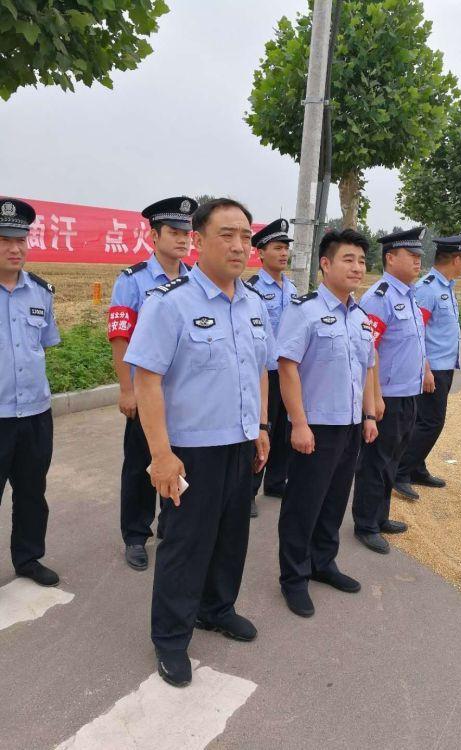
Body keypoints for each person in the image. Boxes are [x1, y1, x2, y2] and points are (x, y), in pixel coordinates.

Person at [124, 198, 274, 687]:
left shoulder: (254, 304)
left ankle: (217, 608)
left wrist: (262, 427)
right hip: (190, 450)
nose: (238, 245)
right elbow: (146, 380)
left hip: (240, 443)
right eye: (226, 234)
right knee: (185, 544)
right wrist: (161, 455)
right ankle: (170, 638)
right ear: (201, 239)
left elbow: (260, 371)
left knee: (233, 534)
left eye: (246, 236)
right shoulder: (171, 303)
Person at [276, 229, 378, 618]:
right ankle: (294, 577)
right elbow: (287, 369)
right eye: (348, 259)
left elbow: (367, 368)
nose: (357, 268)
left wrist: (369, 415)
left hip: (350, 425)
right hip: (314, 426)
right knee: (303, 504)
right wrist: (298, 424)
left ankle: (323, 562)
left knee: (335, 500)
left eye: (361, 261)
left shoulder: (361, 317)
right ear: (326, 263)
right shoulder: (304, 311)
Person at [107, 196, 197, 571]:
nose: (182, 240)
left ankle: (171, 529)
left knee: (180, 462)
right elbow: (120, 338)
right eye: (174, 233)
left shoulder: (195, 280)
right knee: (141, 464)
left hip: (186, 395)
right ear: (153, 235)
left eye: (187, 233)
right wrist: (127, 390)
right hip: (147, 392)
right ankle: (135, 535)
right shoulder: (132, 281)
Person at [352, 227, 427, 555]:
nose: (417, 262)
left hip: (408, 393)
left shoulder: (408, 295)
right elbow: (370, 351)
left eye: (419, 257)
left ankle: (380, 516)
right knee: (376, 460)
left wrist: (424, 371)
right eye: (411, 256)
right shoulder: (379, 298)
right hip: (387, 396)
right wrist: (375, 397)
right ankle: (365, 523)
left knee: (392, 459)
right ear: (390, 257)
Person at [0, 198, 61, 586]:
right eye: (5, 239)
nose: (15, 248)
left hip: (35, 414)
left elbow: (44, 345)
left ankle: (28, 558)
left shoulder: (40, 292)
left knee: (31, 494)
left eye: (21, 239)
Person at [394, 234, 461, 500]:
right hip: (433, 368)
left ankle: (416, 467)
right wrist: (425, 369)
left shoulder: (445, 286)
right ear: (456, 259)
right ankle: (400, 471)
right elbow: (418, 331)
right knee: (431, 422)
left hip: (445, 365)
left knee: (424, 420)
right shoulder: (428, 289)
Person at [246, 218, 297, 517]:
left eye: (285, 248)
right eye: (277, 248)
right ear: (261, 253)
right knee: (261, 428)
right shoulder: (251, 288)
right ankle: (249, 490)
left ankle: (276, 481)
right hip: (263, 373)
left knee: (283, 431)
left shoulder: (291, 287)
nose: (283, 253)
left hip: (288, 373)